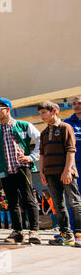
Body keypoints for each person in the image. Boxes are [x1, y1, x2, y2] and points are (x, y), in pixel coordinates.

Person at [0, 97, 41, 244]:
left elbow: (39, 139)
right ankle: (17, 231)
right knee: (11, 201)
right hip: (5, 170)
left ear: (8, 109)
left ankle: (34, 231)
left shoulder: (24, 125)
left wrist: (31, 157)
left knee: (29, 199)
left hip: (22, 168)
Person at [37, 101, 80, 247]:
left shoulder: (65, 128)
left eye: (44, 112)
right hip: (50, 173)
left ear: (54, 111)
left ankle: (79, 234)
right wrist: (42, 172)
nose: (41, 115)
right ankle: (66, 234)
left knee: (74, 202)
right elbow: (42, 154)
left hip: (66, 172)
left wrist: (68, 170)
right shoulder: (43, 133)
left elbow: (70, 150)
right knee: (58, 205)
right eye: (40, 113)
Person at [64, 96, 81, 231]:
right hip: (74, 167)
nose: (76, 106)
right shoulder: (67, 123)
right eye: (74, 104)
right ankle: (75, 230)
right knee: (74, 199)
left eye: (79, 103)